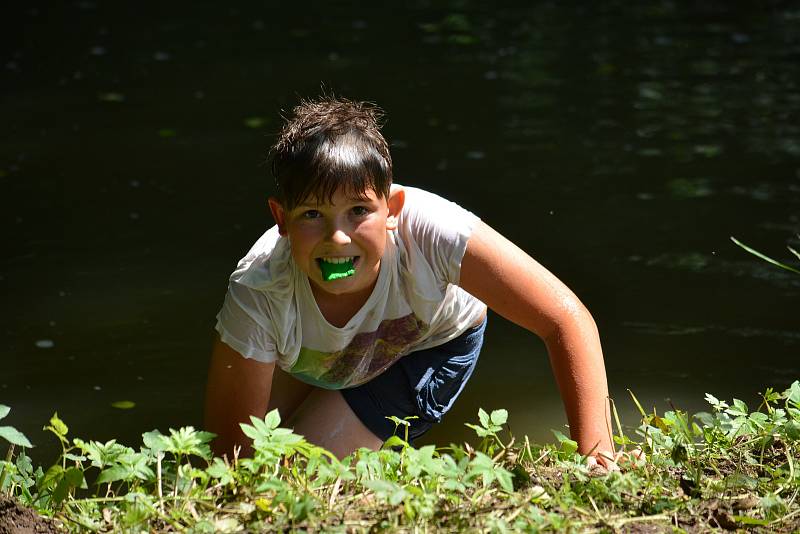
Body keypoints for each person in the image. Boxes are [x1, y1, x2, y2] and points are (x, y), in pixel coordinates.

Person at [204, 96, 620, 470]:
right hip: (323, 359)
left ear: (393, 209)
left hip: (427, 344)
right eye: (312, 214)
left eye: (359, 211)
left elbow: (565, 320)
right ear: (281, 219)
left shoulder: (433, 231)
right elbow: (229, 458)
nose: (338, 239)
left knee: (300, 472)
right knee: (247, 463)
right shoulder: (258, 291)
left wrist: (598, 454)